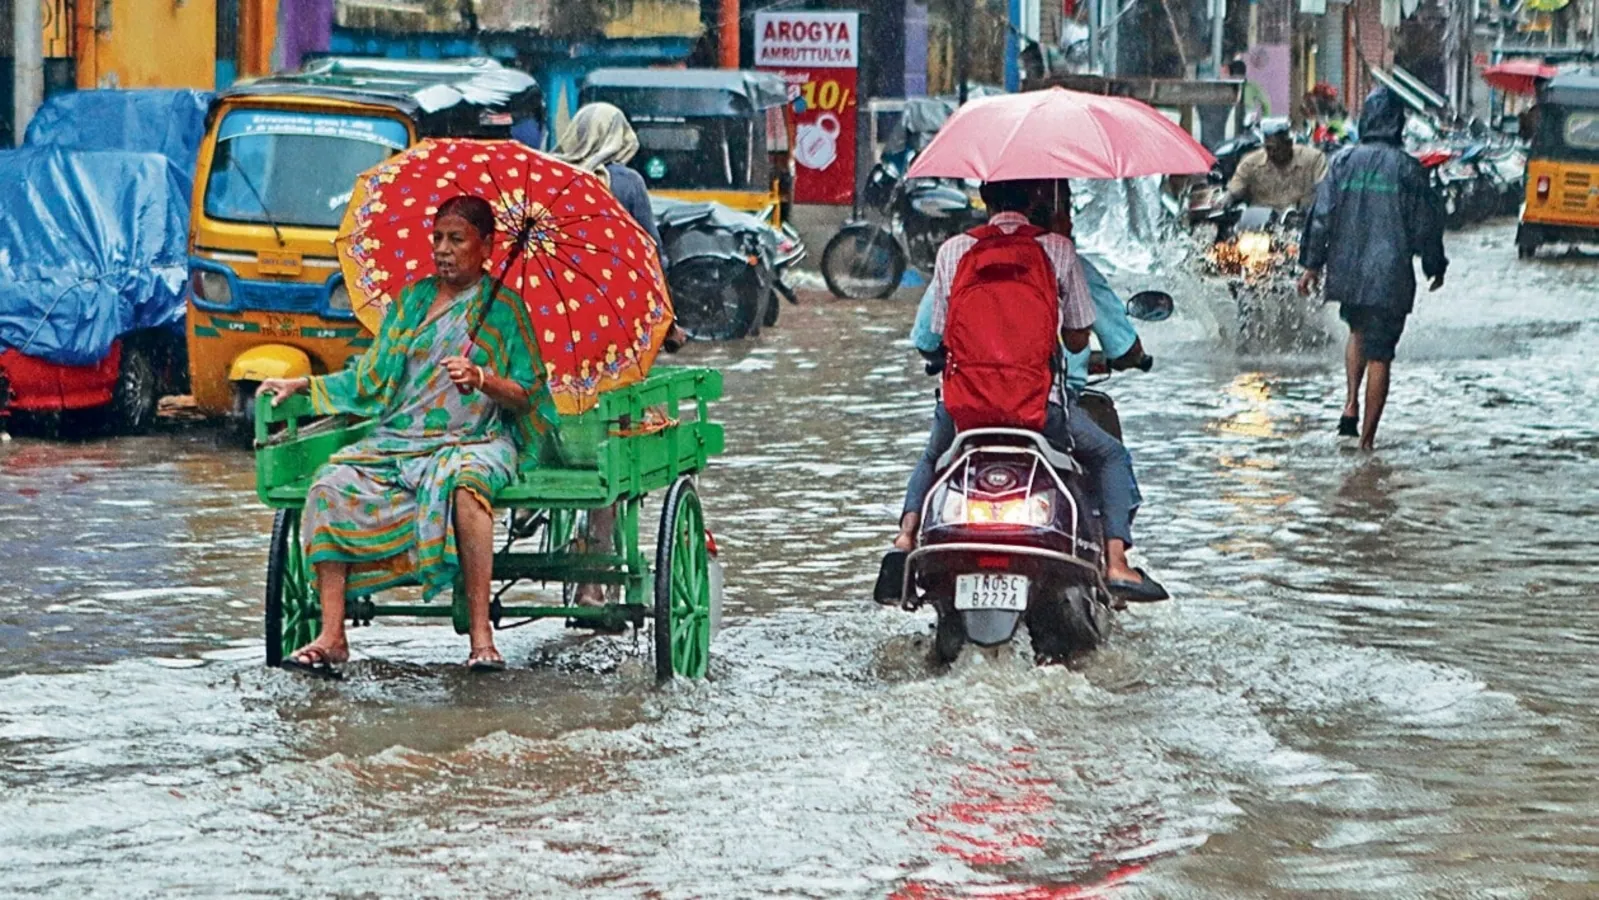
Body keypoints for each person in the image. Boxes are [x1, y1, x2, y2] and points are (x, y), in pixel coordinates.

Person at [256, 196, 557, 673]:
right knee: (328, 486)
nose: (442, 249)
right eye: (437, 238)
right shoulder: (411, 304)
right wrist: (306, 386)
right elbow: (368, 380)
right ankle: (332, 635)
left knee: (464, 486)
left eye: (456, 239)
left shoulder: (506, 311)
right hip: (400, 438)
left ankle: (481, 636)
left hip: (476, 440)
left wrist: (482, 379)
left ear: (487, 247)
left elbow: (527, 394)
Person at [894, 179, 1166, 600]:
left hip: (966, 410)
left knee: (933, 456)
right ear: (1038, 199)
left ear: (985, 198)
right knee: (1110, 455)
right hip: (1040, 409)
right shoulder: (1058, 250)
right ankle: (1116, 564)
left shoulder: (953, 251)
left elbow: (929, 339)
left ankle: (905, 541)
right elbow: (1079, 338)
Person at [552, 102, 672, 609]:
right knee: (614, 448)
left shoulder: (549, 177)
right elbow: (650, 257)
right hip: (609, 336)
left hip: (550, 339)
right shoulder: (624, 184)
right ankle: (593, 575)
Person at [1298, 87, 1447, 451]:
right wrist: (1434, 264)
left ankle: (1350, 403)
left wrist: (1311, 265)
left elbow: (1321, 217)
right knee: (1381, 353)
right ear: (1397, 124)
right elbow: (1425, 224)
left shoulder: (1342, 162)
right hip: (1390, 277)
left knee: (1358, 332)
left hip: (1348, 271)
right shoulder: (1408, 169)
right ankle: (1367, 442)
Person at [553, 102, 662, 251]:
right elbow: (650, 243)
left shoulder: (552, 175)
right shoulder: (628, 182)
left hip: (561, 270)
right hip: (612, 270)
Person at [1221, 119, 1329, 212]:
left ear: (1289, 144)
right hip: (1262, 227)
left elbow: (1325, 192)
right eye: (1268, 148)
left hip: (1301, 222)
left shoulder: (1314, 159)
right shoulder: (1250, 163)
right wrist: (1225, 202)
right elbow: (1235, 189)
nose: (1272, 153)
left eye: (1277, 148)